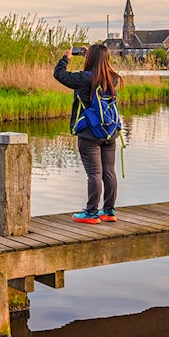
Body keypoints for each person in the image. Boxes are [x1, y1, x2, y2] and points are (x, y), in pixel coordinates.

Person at [54, 43, 121, 224]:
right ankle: (108, 211)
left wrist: (66, 57)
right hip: (109, 132)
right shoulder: (113, 78)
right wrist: (92, 55)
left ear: (90, 59)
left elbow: (59, 74)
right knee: (109, 172)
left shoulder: (84, 79)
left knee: (94, 173)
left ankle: (91, 213)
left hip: (89, 133)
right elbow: (100, 69)